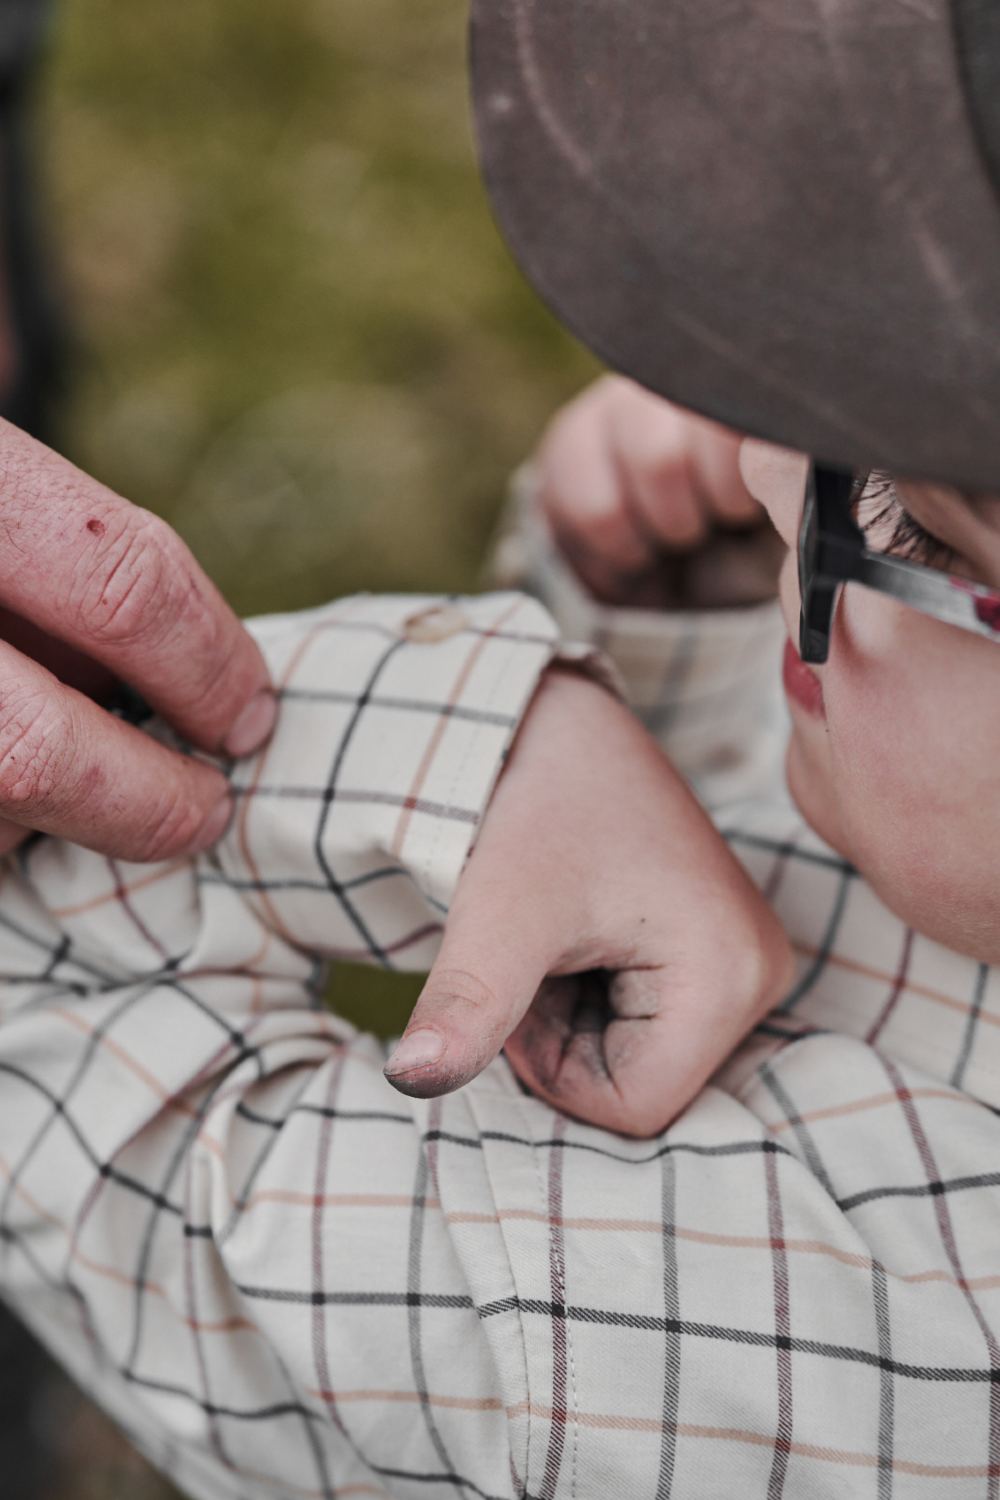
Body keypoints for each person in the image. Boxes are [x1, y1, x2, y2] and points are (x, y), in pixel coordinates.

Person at [4, 3, 1000, 1499]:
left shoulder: (771, 1341)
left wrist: (484, 743)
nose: (749, 454)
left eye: (914, 520)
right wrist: (675, 624)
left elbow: (76, 1057)